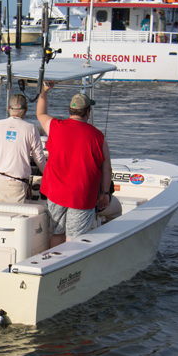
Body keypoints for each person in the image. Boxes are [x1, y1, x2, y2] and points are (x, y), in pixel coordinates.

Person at [36, 83, 112, 247]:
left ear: (70, 110)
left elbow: (40, 113)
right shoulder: (98, 137)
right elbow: (107, 168)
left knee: (57, 233)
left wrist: (43, 91)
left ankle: (52, 265)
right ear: (88, 112)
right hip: (81, 196)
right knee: (73, 240)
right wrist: (105, 193)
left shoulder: (55, 126)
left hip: (55, 192)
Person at [0, 94, 46, 204]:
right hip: (17, 183)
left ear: (8, 109)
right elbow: (39, 157)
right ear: (25, 110)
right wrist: (47, 173)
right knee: (14, 217)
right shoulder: (31, 128)